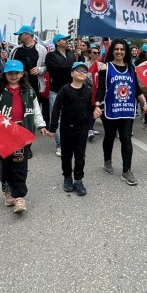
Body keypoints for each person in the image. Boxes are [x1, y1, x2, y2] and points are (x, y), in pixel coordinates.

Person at [0, 60, 48, 213]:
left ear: (22, 74)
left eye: (17, 73)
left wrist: (41, 125)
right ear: (5, 74)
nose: (13, 76)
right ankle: (7, 191)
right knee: (5, 164)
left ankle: (20, 196)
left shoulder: (29, 91)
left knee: (20, 164)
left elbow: (36, 110)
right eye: (10, 73)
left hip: (22, 132)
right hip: (3, 134)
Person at [96, 39, 147, 186]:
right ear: (112, 51)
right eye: (116, 49)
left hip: (127, 110)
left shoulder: (131, 69)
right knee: (110, 137)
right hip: (110, 109)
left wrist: (144, 103)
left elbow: (136, 89)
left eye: (122, 49)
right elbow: (101, 88)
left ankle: (126, 170)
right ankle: (107, 160)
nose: (119, 52)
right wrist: (97, 105)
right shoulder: (106, 68)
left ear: (126, 52)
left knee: (126, 139)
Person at [49, 62, 95, 196]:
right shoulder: (65, 89)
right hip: (66, 128)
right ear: (72, 73)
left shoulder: (88, 90)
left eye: (84, 71)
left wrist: (96, 111)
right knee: (67, 155)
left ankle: (79, 179)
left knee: (80, 156)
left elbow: (90, 108)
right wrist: (52, 128)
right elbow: (56, 109)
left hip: (82, 128)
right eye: (78, 70)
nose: (82, 72)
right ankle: (67, 177)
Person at [45, 34, 77, 157]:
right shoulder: (51, 56)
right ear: (57, 42)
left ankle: (69, 142)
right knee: (56, 119)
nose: (67, 41)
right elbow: (55, 70)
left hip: (71, 90)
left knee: (70, 117)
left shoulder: (71, 55)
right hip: (56, 91)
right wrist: (71, 68)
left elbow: (75, 70)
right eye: (64, 39)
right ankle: (60, 145)